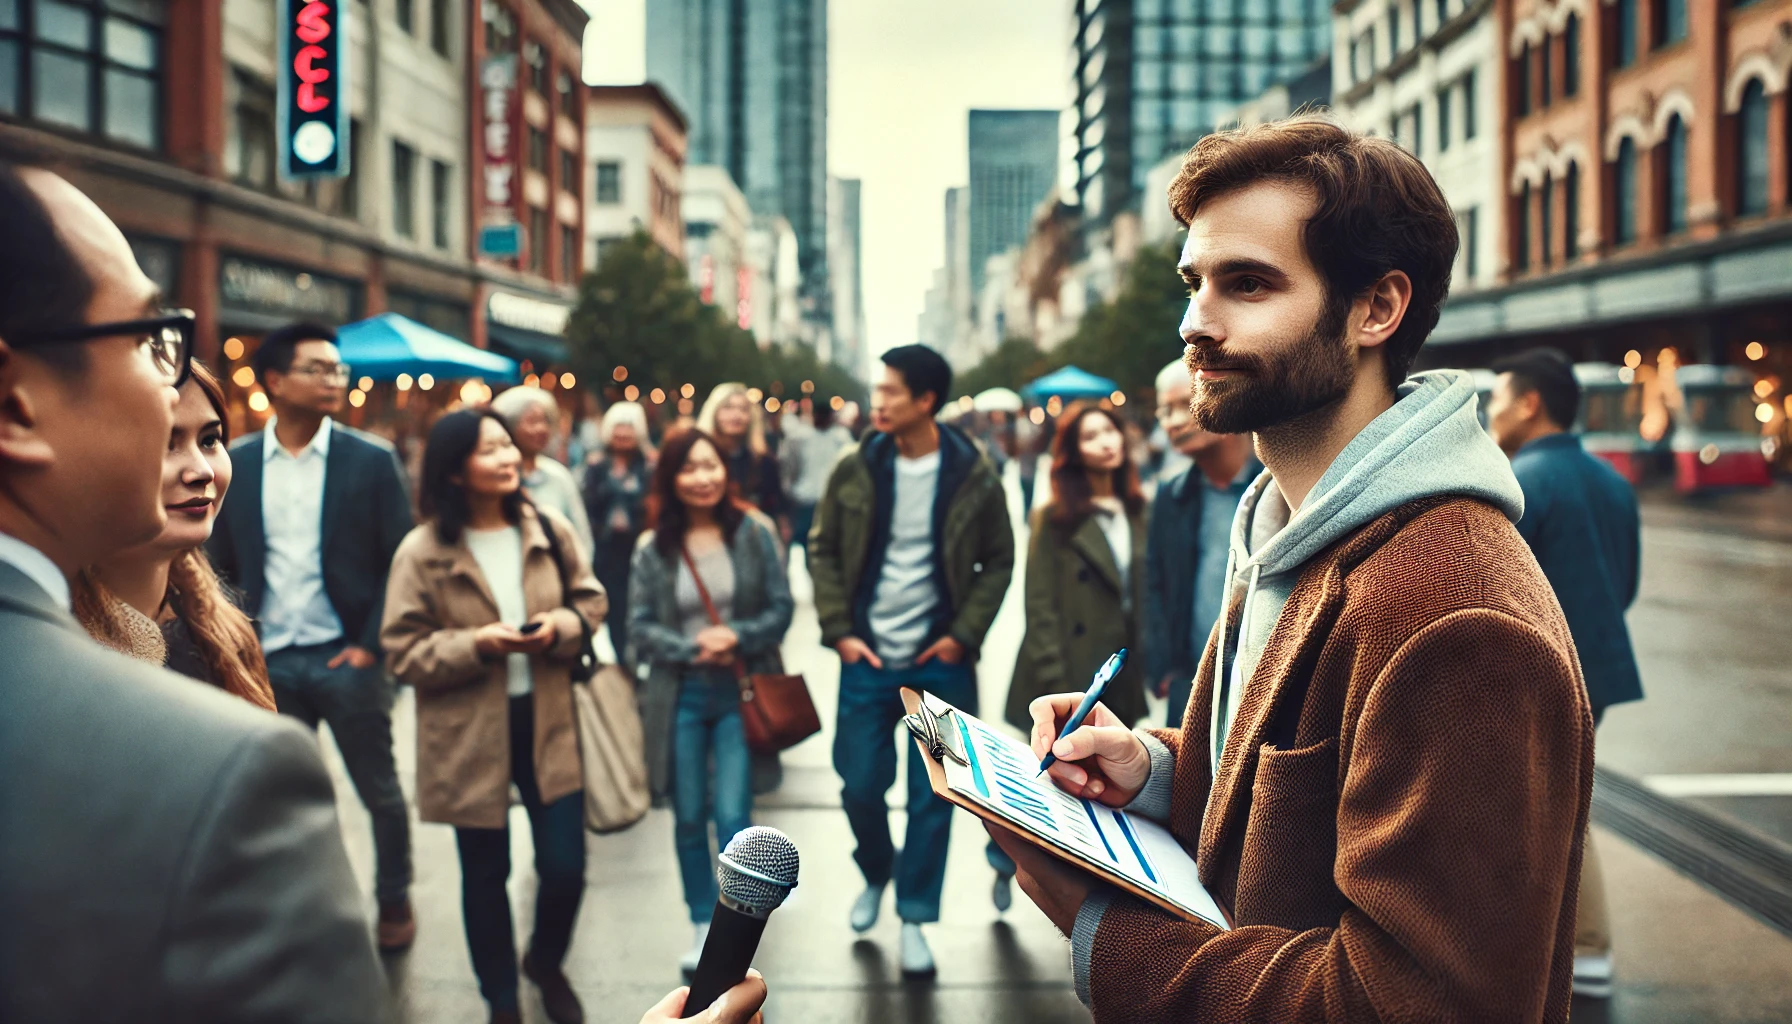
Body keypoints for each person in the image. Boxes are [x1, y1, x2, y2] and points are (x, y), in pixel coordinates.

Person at [988, 117, 1592, 1023]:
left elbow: (1422, 1004)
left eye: (1248, 284)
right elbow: (1310, 805)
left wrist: (1108, 939)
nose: (1195, 323)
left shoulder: (1457, 617)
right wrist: (1153, 772)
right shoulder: (1295, 527)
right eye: (1193, 283)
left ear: (1375, 309)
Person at [0, 161, 388, 1020]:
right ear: (14, 407)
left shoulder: (216, 627)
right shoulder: (221, 772)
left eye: (211, 438)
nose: (194, 462)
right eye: (149, 340)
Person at [381, 410, 605, 1024]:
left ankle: (546, 960)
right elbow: (401, 650)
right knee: (485, 872)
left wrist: (560, 626)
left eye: (509, 445)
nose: (509, 457)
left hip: (549, 715)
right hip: (467, 728)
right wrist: (479, 643)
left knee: (566, 866)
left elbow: (589, 598)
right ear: (456, 471)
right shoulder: (423, 551)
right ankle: (500, 998)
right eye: (491, 450)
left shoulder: (547, 528)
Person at [208, 320, 420, 951]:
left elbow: (400, 560)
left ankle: (394, 899)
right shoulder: (237, 461)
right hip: (268, 662)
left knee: (380, 791)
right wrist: (238, 644)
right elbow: (218, 562)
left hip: (347, 658)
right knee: (286, 801)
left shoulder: (371, 460)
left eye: (338, 369)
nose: (335, 379)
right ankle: (307, 909)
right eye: (318, 368)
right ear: (275, 381)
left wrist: (370, 648)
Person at [807, 344, 1014, 977]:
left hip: (940, 661)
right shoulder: (856, 466)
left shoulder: (973, 473)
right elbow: (823, 549)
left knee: (935, 798)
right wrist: (840, 631)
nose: (878, 401)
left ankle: (916, 915)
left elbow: (998, 560)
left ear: (926, 400)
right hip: (867, 657)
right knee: (860, 783)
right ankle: (876, 873)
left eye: (890, 391)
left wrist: (962, 636)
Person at [1485, 347, 1643, 1000]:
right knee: (1562, 804)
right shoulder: (1612, 480)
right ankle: (1578, 948)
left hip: (1533, 674)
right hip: (1596, 669)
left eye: (1495, 401)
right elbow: (1625, 582)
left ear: (1529, 404)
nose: (1489, 415)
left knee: (1541, 812)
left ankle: (1579, 948)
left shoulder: (1518, 481)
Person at [628, 427, 794, 976]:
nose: (703, 478)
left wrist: (737, 637)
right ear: (671, 479)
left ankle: (736, 921)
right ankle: (702, 918)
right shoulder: (654, 547)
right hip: (679, 694)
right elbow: (640, 627)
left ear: (726, 470)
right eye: (689, 468)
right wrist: (693, 645)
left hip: (738, 693)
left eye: (711, 466)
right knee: (686, 814)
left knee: (733, 817)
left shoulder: (753, 532)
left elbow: (779, 608)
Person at [73, 360, 275, 709]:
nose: (202, 471)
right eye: (166, 443)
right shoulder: (45, 643)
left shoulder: (225, 630)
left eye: (210, 439)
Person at [1005, 401, 1149, 733]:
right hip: (1066, 673)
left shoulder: (1140, 512)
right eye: (1090, 436)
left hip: (1118, 673)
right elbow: (1040, 608)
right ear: (1073, 451)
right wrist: (1056, 683)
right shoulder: (1052, 519)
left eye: (1110, 430)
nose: (1105, 442)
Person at [1144, 358, 1258, 727]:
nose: (1173, 421)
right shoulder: (1172, 495)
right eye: (1164, 410)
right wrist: (1164, 664)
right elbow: (1155, 582)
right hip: (1191, 680)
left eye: (1184, 403)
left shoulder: (1274, 486)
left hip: (1261, 677)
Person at [583, 399, 654, 660]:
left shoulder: (649, 466)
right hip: (606, 549)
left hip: (640, 548)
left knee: (641, 604)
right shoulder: (596, 467)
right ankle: (622, 660)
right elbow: (587, 507)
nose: (623, 434)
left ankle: (641, 657)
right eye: (618, 427)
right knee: (612, 606)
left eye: (629, 428)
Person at [494, 384, 595, 558]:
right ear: (508, 425)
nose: (541, 429)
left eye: (546, 421)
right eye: (532, 421)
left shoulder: (559, 476)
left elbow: (582, 538)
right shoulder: (497, 476)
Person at [698, 382, 787, 530]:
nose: (736, 415)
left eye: (743, 409)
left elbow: (777, 509)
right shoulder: (698, 459)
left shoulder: (763, 462)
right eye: (728, 407)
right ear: (714, 411)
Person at [780, 397, 852, 553]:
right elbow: (788, 466)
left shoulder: (841, 439)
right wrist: (790, 491)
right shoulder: (799, 438)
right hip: (806, 500)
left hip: (831, 500)